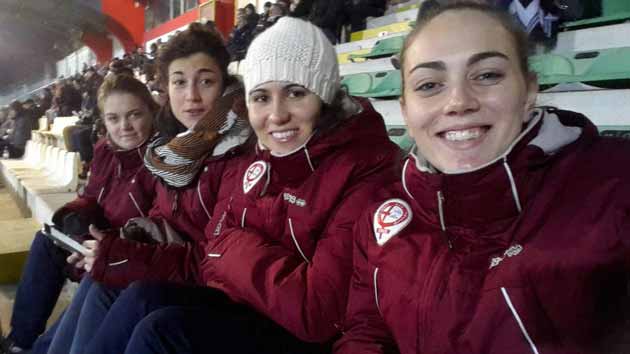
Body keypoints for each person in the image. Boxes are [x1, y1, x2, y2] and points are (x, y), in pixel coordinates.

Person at [82, 17, 401, 354]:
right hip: (252, 307)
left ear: (324, 96)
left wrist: (230, 248)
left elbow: (315, 311)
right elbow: (208, 258)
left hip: (300, 334)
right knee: (140, 298)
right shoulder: (263, 157)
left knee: (161, 333)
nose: (276, 115)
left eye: (295, 92)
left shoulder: (363, 168)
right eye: (261, 97)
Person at [334, 3, 630, 354]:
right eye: (429, 85)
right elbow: (367, 330)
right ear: (405, 110)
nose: (458, 102)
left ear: (529, 90)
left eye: (487, 75)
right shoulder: (381, 211)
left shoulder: (616, 190)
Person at [43, 22, 252, 354]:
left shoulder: (241, 148)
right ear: (166, 89)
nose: (192, 96)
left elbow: (215, 258)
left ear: (224, 83)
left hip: (212, 284)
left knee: (134, 291)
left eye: (206, 82)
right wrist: (121, 243)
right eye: (180, 82)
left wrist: (124, 253)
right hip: (177, 265)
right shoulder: (174, 148)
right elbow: (158, 215)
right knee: (99, 275)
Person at [0, 75, 158, 354]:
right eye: (113, 118)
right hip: (95, 239)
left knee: (94, 284)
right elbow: (90, 199)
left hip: (124, 249)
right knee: (47, 241)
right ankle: (20, 341)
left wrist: (95, 245)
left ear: (151, 111)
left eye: (134, 115)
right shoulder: (105, 151)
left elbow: (148, 228)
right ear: (104, 120)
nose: (124, 127)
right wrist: (71, 220)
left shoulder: (161, 160)